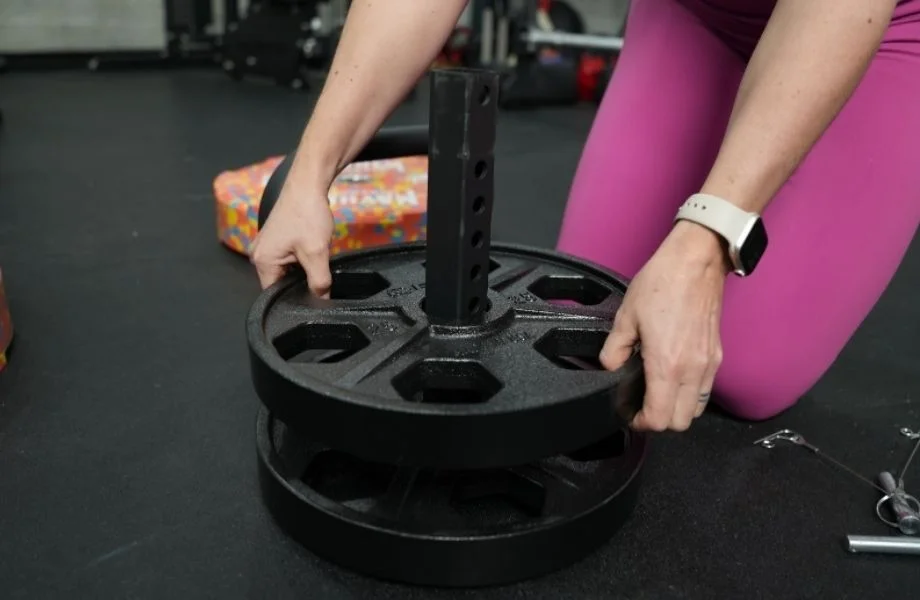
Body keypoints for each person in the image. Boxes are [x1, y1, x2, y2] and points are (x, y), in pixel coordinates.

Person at [250, 0, 920, 433]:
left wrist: (707, 243)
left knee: (744, 371)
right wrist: (315, 168)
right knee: (587, 316)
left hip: (876, 25)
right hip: (698, 12)